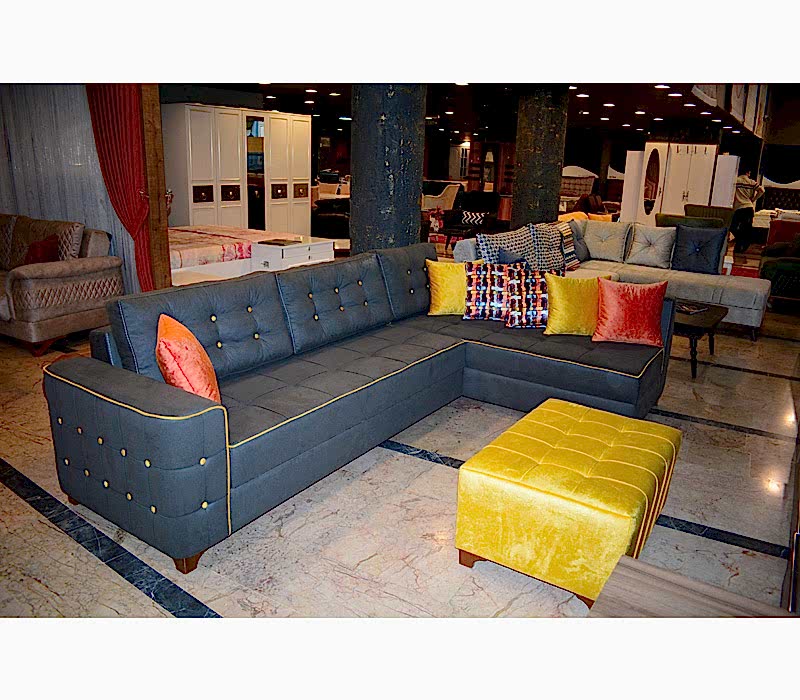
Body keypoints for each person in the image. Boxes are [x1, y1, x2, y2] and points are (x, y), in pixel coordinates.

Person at [731, 166, 765, 253]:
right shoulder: (751, 182)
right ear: (747, 173)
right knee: (746, 228)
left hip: (739, 207)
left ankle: (739, 244)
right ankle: (743, 245)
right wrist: (753, 199)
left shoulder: (735, 181)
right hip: (749, 207)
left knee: (733, 227)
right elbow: (762, 190)